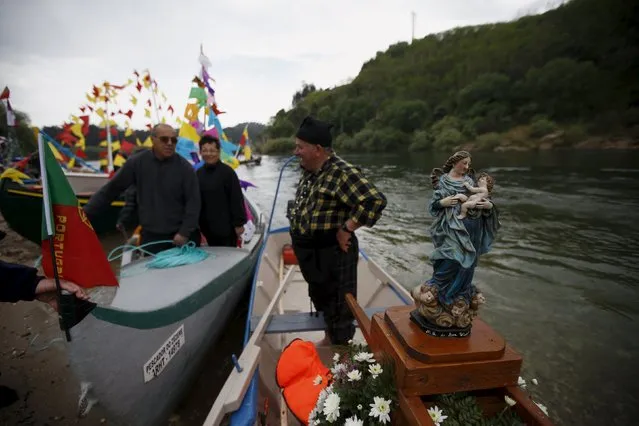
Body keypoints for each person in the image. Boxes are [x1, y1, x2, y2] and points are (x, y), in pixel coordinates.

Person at [287, 116, 387, 346]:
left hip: (333, 252)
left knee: (340, 304)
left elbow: (375, 201)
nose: (296, 152)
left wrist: (347, 228)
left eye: (300, 147)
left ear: (318, 149)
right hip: (311, 254)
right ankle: (329, 337)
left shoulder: (342, 172)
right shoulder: (308, 169)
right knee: (320, 296)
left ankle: (341, 350)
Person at [415, 151, 500, 332]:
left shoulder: (470, 181)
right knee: (450, 257)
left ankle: (461, 294)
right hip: (449, 227)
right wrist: (444, 202)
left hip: (472, 226)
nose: (467, 168)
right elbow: (433, 206)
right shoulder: (444, 180)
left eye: (469, 164)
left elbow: (486, 199)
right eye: (464, 163)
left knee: (469, 262)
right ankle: (440, 291)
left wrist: (488, 206)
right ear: (455, 163)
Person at [84, 124, 201, 254]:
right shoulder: (137, 163)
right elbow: (110, 190)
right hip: (152, 237)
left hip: (180, 237)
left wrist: (184, 232)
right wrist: (82, 216)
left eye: (173, 140)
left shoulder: (185, 168)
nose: (169, 143)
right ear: (152, 139)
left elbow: (194, 203)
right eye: (164, 139)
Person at [197, 135, 247, 247]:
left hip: (226, 228)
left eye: (212, 151)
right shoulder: (198, 174)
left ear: (218, 152)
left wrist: (239, 224)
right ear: (200, 152)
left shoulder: (228, 173)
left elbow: (236, 199)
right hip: (206, 227)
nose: (208, 154)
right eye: (205, 150)